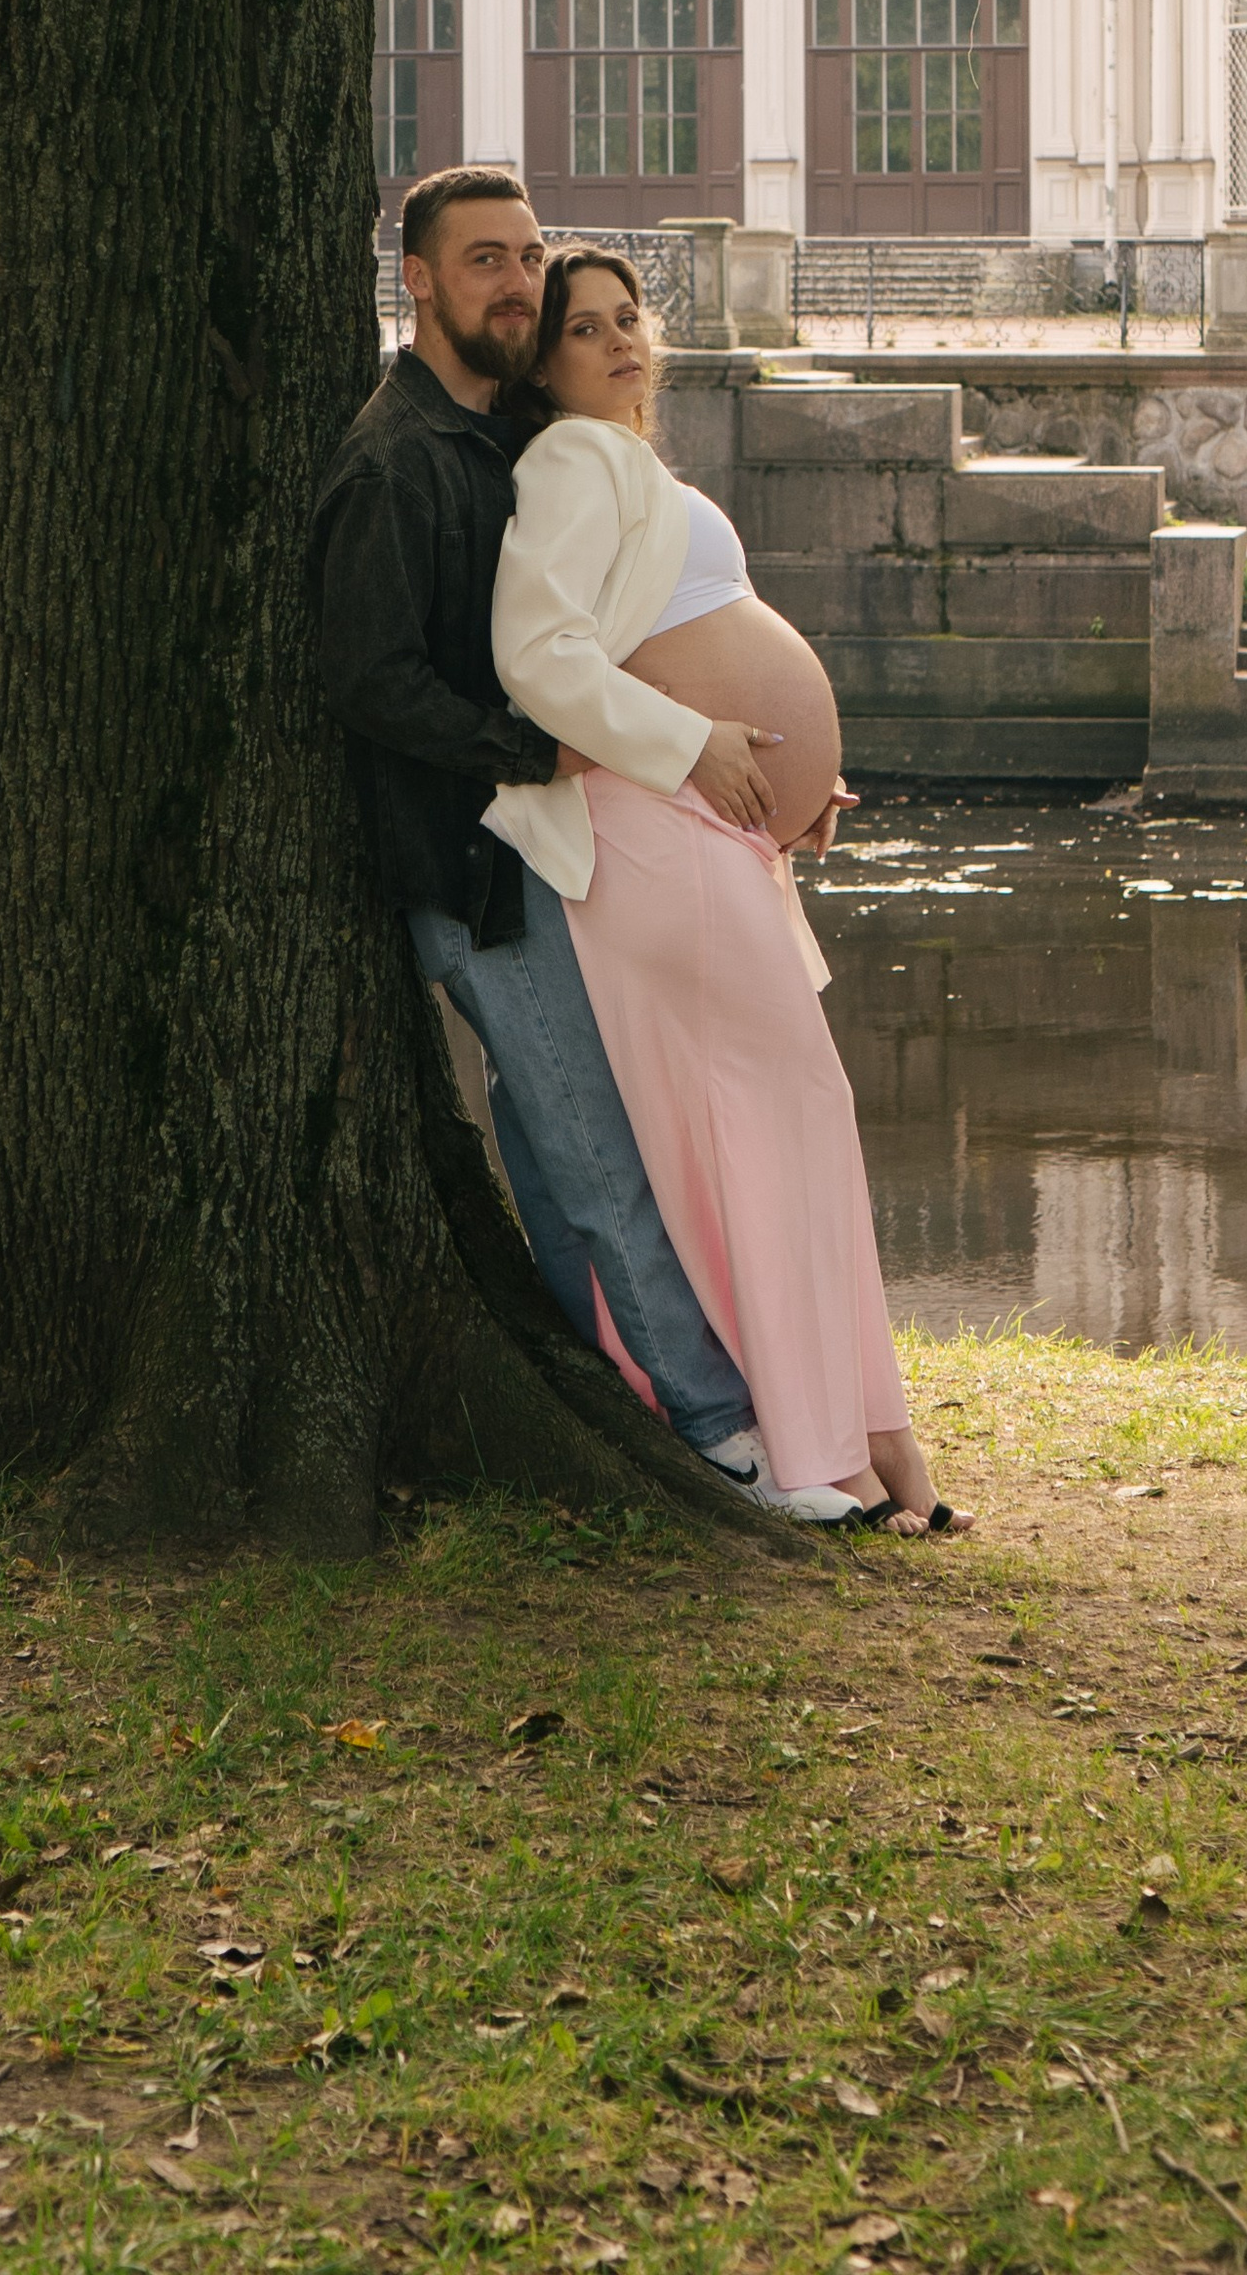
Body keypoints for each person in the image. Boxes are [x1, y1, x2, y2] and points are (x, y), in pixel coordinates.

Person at [312, 166, 841, 1520]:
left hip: (547, 852)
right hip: (472, 867)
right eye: (484, 259)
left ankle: (606, 1391)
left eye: (530, 254)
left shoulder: (503, 431)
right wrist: (543, 748)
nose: (519, 281)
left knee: (557, 1159)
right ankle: (725, 1441)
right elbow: (372, 681)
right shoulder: (396, 459)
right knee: (597, 1153)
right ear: (416, 280)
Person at [487, 246, 971, 1536]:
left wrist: (796, 778)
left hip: (707, 833)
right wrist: (702, 745)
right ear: (544, 367)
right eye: (583, 330)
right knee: (766, 1117)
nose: (619, 343)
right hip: (651, 831)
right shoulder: (571, 460)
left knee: (776, 1115)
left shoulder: (634, 469)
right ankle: (814, 1445)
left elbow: (677, 639)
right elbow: (537, 658)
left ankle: (874, 1450)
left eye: (629, 319)